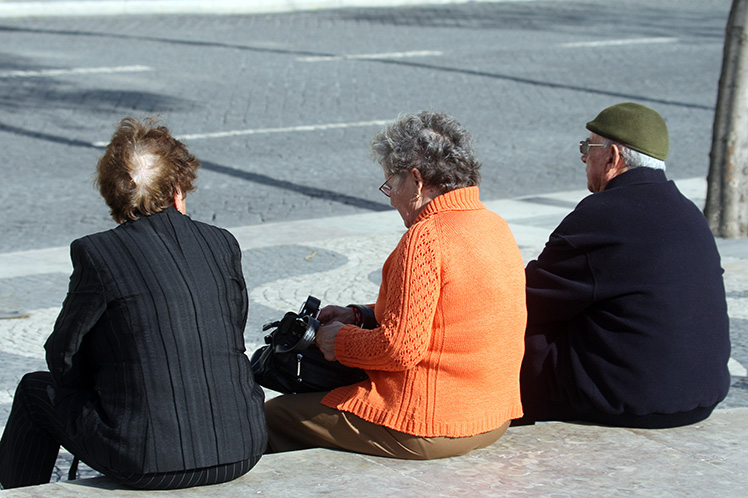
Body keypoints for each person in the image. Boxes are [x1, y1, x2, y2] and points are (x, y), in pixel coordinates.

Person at [0, 117, 267, 489]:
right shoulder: (221, 242)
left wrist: (97, 384)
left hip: (144, 457)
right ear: (178, 186)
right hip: (242, 445)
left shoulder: (98, 252)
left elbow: (63, 356)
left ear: (113, 192)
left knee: (33, 392)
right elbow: (227, 330)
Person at [264, 111, 527, 459]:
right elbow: (444, 315)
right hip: (492, 416)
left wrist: (337, 339)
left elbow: (399, 349)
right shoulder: (494, 225)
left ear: (416, 181)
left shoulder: (426, 237)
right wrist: (359, 315)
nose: (390, 197)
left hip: (429, 423)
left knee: (274, 415)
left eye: (391, 184)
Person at [519, 102, 731, 429]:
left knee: (512, 337)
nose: (583, 156)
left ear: (613, 157)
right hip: (702, 394)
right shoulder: (689, 214)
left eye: (588, 147)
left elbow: (527, 300)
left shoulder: (603, 214)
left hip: (633, 399)